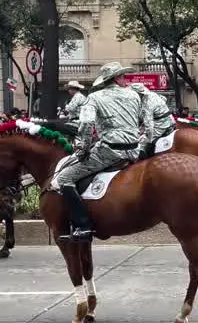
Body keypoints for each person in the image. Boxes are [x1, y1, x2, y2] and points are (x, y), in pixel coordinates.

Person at [46, 62, 150, 240]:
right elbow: (143, 120)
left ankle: (83, 226)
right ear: (116, 78)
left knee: (64, 178)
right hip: (134, 150)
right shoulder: (134, 95)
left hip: (110, 151)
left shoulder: (94, 97)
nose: (125, 79)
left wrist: (84, 148)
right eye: (122, 76)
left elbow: (86, 124)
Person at [130, 80, 174, 148]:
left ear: (138, 94)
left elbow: (149, 125)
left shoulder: (146, 105)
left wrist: (148, 139)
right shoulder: (152, 94)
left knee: (140, 143)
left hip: (161, 124)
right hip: (169, 119)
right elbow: (164, 99)